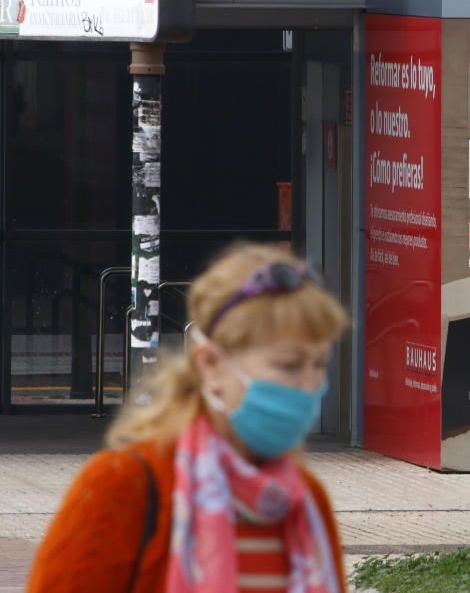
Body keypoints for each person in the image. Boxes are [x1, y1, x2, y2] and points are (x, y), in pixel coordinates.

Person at [27, 244, 350, 593]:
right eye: (289, 365)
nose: (310, 385)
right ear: (210, 364)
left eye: (319, 364)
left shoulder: (303, 500)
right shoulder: (123, 486)